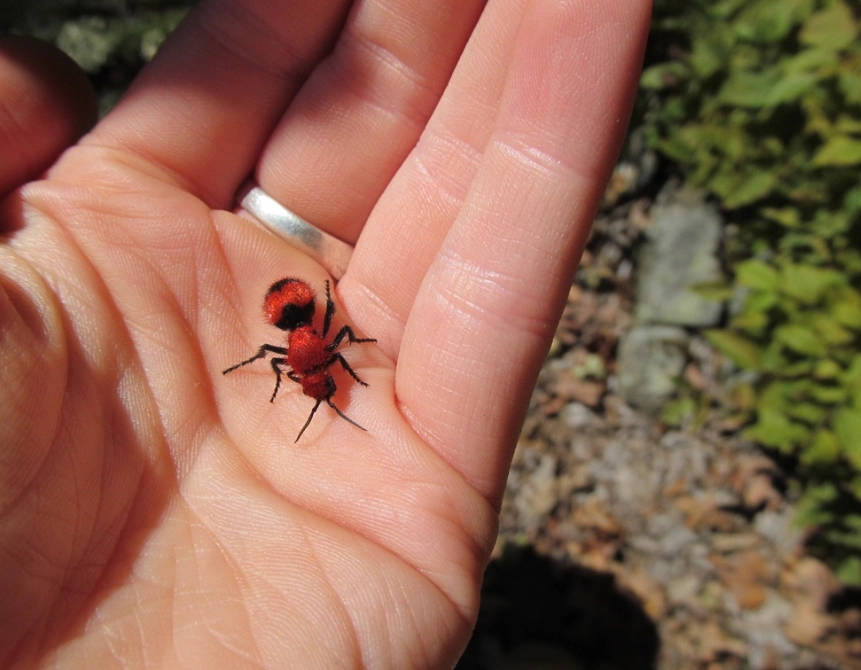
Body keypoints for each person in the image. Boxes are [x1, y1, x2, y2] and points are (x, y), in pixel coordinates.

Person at [0, 1, 650, 666]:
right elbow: (310, 351)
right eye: (321, 383)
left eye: (316, 383)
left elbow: (314, 351)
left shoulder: (308, 359)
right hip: (296, 307)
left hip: (296, 307)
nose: (320, 384)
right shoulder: (307, 359)